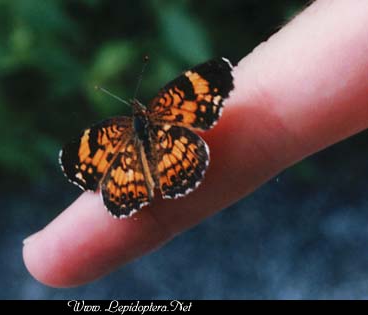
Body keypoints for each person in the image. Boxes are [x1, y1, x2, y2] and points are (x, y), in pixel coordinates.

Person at [23, 0, 368, 287]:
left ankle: (140, 189)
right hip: (174, 147)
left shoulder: (106, 136)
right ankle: (163, 182)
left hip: (128, 170)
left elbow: (81, 157)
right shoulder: (165, 106)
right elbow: (75, 158)